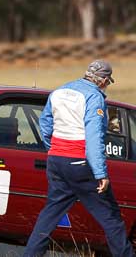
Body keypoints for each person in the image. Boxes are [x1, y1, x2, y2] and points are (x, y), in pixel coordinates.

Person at [23, 60, 135, 257]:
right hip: (80, 164)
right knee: (111, 218)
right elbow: (94, 137)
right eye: (108, 82)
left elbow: (45, 123)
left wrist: (54, 149)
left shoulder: (60, 91)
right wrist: (100, 173)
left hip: (56, 161)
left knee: (49, 215)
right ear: (103, 80)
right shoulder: (94, 97)